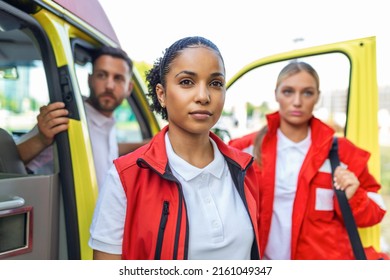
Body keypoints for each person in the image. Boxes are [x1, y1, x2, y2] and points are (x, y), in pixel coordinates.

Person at [88, 36, 261, 260]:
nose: (203, 96)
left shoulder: (245, 168)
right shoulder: (125, 178)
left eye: (215, 83)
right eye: (187, 82)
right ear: (161, 94)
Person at [229, 61, 387, 260]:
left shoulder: (343, 153)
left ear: (317, 97)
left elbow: (377, 210)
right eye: (288, 92)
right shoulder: (244, 149)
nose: (297, 101)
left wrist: (355, 196)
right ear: (276, 94)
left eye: (307, 93)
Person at [16, 46, 147, 189]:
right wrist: (41, 139)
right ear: (90, 80)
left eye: (118, 78)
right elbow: (9, 162)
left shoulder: (107, 121)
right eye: (102, 75)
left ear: (129, 88)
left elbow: (104, 148)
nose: (109, 85)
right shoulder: (67, 116)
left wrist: (149, 143)